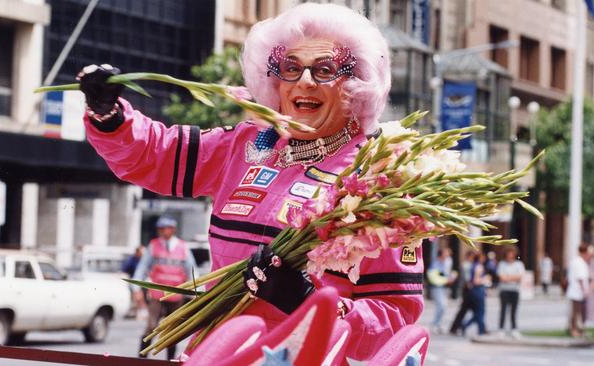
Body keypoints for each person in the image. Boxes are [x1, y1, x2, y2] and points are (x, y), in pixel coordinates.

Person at [76, 3, 424, 361]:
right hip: (215, 353)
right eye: (290, 68)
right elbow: (157, 155)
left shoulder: (377, 175)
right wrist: (110, 116)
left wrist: (310, 304)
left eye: (324, 69)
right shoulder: (249, 144)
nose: (304, 81)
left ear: (355, 84)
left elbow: (396, 317)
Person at [132, 216, 196, 359]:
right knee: (151, 327)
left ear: (173, 229)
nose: (162, 231)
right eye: (160, 228)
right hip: (157, 296)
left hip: (176, 296)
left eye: (165, 228)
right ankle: (141, 359)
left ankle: (170, 361)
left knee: (172, 331)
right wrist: (136, 288)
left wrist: (195, 292)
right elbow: (142, 267)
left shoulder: (183, 247)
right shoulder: (153, 246)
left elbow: (191, 270)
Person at [496, 247, 525, 338]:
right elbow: (501, 278)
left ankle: (514, 329)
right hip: (504, 290)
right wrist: (513, 278)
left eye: (512, 253)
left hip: (514, 290)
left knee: (514, 310)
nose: (510, 255)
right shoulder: (502, 264)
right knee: (503, 310)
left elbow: (520, 277)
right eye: (508, 253)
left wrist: (508, 277)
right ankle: (501, 329)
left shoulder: (519, 264)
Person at [566, 244, 592, 338]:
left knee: (577, 312)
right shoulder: (578, 262)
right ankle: (573, 330)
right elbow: (580, 278)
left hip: (576, 291)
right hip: (576, 291)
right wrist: (585, 290)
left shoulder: (578, 261)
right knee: (575, 312)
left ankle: (577, 329)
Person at [449, 250, 476, 335]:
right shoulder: (465, 265)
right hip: (467, 290)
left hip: (469, 290)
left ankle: (455, 327)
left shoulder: (470, 265)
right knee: (474, 310)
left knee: (466, 310)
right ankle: (457, 327)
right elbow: (466, 278)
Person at [428, 247, 454, 334]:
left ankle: (437, 324)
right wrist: (446, 280)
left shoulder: (445, 263)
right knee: (441, 306)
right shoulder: (436, 264)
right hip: (436, 288)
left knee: (443, 306)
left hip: (442, 288)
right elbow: (433, 278)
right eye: (446, 252)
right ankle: (435, 324)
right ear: (441, 254)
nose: (448, 254)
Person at [462, 252, 488, 335]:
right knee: (480, 312)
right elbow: (476, 281)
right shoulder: (479, 266)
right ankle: (480, 330)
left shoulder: (472, 265)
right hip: (478, 290)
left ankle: (467, 325)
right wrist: (485, 280)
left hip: (473, 291)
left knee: (478, 312)